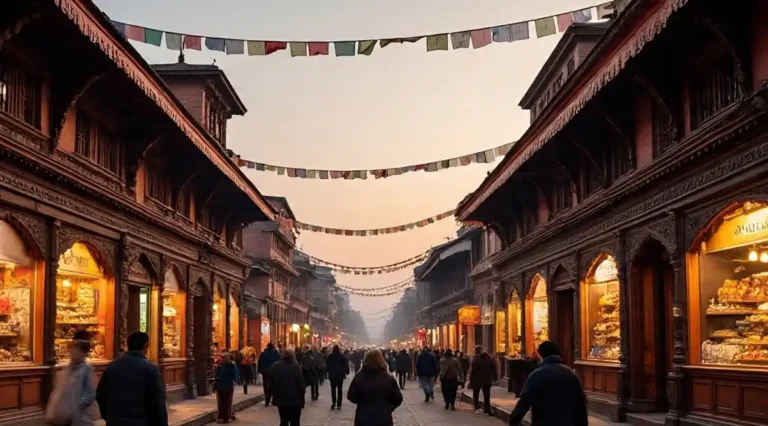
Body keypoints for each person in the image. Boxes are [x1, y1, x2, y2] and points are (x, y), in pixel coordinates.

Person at [96, 331, 168, 426]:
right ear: (146, 346)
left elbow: (100, 395)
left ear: (127, 345)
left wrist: (110, 417)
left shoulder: (112, 367)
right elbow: (158, 404)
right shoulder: (151, 369)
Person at [508, 341, 588, 426]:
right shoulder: (571, 374)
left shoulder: (536, 375)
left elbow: (524, 401)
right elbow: (581, 403)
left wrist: (514, 420)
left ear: (539, 354)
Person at [45, 330, 96, 426]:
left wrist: (75, 406)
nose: (71, 351)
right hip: (64, 418)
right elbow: (59, 390)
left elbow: (90, 395)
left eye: (75, 349)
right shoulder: (67, 368)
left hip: (78, 419)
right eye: (71, 348)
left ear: (82, 352)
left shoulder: (86, 369)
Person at [347, 349, 403, 426]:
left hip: (363, 417)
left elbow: (351, 396)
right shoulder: (388, 378)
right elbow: (398, 398)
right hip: (383, 418)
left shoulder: (358, 377)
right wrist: (389, 408)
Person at [269, 348, 306, 426]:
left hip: (281, 399)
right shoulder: (296, 367)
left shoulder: (275, 366)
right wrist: (302, 399)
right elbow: (301, 384)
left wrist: (273, 395)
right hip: (295, 400)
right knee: (295, 422)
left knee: (284, 420)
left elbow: (271, 382)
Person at [468, 345, 497, 415]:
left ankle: (477, 408)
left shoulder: (475, 359)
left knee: (476, 394)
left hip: (477, 379)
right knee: (487, 395)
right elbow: (494, 368)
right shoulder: (489, 358)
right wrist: (494, 378)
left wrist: (470, 381)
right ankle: (487, 409)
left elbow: (472, 371)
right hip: (487, 379)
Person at [214, 351, 239, 423]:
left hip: (223, 386)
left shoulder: (221, 366)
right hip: (226, 386)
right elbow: (235, 375)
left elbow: (217, 376)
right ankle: (225, 417)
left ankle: (223, 417)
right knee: (226, 402)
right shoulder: (231, 365)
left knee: (222, 402)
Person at [326, 345, 350, 410]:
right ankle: (339, 404)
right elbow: (346, 364)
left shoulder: (330, 356)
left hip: (332, 375)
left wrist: (327, 372)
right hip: (340, 374)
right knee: (340, 389)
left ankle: (333, 403)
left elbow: (327, 364)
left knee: (333, 389)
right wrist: (347, 371)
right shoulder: (342, 356)